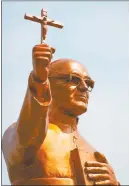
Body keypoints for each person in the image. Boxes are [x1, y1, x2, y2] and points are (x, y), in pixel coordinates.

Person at [2, 43, 120, 185]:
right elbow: (27, 137)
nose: (83, 88)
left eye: (88, 83)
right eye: (73, 79)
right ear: (49, 84)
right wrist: (39, 81)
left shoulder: (93, 154)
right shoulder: (18, 135)